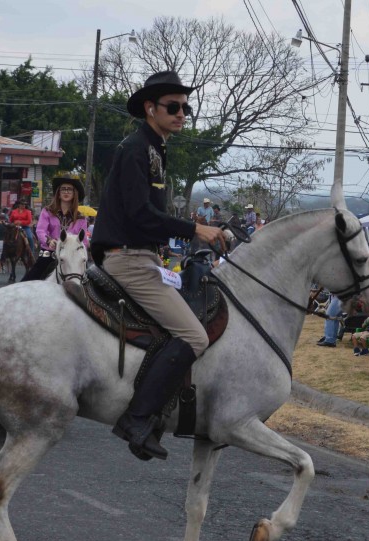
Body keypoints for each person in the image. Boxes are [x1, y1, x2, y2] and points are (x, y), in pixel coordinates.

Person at [91, 70, 227, 461]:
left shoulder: (155, 150)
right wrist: (195, 229)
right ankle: (138, 419)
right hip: (129, 259)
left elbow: (149, 218)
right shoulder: (137, 148)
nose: (182, 112)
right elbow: (140, 215)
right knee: (196, 336)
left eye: (186, 107)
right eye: (173, 106)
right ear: (150, 109)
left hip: (144, 256)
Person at [22, 177, 88, 282]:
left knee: (88, 283)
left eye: (69, 189)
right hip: (50, 253)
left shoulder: (81, 218)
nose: (66, 191)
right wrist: (48, 241)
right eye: (63, 189)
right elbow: (40, 230)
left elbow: (84, 241)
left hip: (72, 257)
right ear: (58, 193)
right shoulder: (47, 211)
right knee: (26, 283)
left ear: (74, 193)